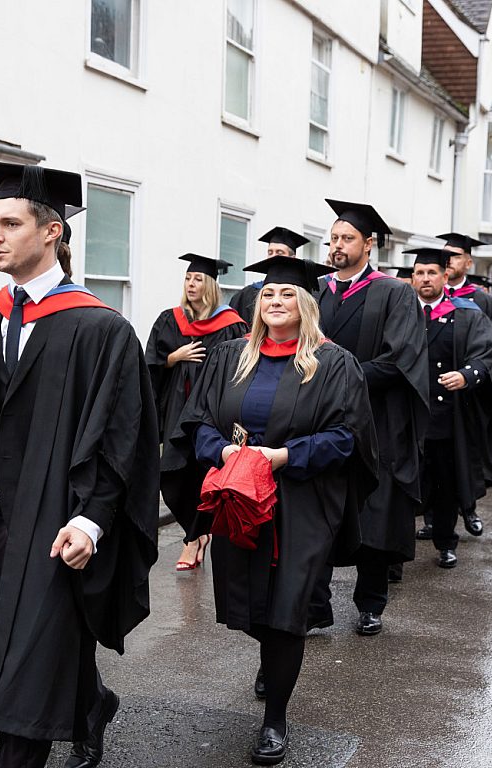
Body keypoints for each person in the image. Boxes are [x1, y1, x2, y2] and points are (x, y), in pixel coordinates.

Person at [0, 163, 159, 768]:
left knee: (28, 666)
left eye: (10, 223)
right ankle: (93, 702)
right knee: (35, 638)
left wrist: (92, 521)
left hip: (57, 519)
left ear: (53, 231)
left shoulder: (100, 328)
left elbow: (121, 436)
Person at [175, 256, 379, 765]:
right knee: (248, 606)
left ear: (307, 304)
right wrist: (221, 451)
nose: (276, 303)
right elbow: (198, 420)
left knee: (287, 609)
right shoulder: (229, 358)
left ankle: (275, 719)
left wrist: (284, 455)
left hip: (300, 500)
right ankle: (271, 651)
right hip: (239, 495)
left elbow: (347, 438)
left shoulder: (333, 364)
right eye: (268, 295)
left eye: (287, 295)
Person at [309, 199, 427, 637]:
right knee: (316, 511)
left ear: (368, 244)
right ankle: (314, 604)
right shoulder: (316, 291)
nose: (337, 246)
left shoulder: (394, 292)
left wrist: (339, 376)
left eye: (347, 239)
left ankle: (371, 601)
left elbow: (401, 360)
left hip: (376, 421)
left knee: (374, 513)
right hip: (318, 418)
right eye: (334, 238)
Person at [147, 255, 247, 570]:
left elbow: (239, 370)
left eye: (198, 279)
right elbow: (149, 363)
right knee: (174, 475)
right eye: (188, 279)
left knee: (205, 474)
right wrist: (171, 359)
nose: (191, 284)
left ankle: (193, 539)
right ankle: (198, 532)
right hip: (176, 414)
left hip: (210, 415)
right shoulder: (169, 319)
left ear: (211, 285)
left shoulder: (231, 325)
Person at [409, 248, 492, 564]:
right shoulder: (401, 312)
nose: (425, 279)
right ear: (412, 278)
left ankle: (445, 542)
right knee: (405, 484)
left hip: (446, 417)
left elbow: (485, 353)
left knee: (445, 484)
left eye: (431, 272)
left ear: (445, 276)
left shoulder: (466, 313)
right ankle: (395, 551)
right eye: (419, 273)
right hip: (407, 416)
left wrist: (466, 375)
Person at [438, 233, 492, 484]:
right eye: (445, 256)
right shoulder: (429, 297)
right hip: (435, 389)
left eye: (456, 256)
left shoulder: (485, 303)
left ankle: (468, 505)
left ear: (468, 262)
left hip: (472, 393)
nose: (449, 261)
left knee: (469, 453)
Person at [230, 228, 310, 323]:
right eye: (270, 252)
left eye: (279, 253)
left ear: (293, 258)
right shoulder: (245, 295)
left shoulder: (302, 293)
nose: (273, 256)